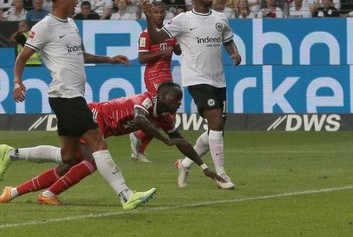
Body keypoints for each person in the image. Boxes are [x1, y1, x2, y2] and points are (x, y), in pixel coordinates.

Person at [13, 0, 156, 210]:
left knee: (69, 156)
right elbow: (22, 58)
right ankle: (125, 194)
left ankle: (11, 154)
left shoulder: (71, 25)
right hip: (65, 95)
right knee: (97, 141)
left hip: (73, 96)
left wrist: (109, 59)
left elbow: (80, 56)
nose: (76, 0)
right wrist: (17, 81)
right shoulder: (44, 26)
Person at [0, 83, 223, 205]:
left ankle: (13, 162)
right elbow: (138, 119)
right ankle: (48, 194)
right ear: (163, 96)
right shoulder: (146, 100)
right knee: (91, 161)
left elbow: (182, 142)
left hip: (100, 124)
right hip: (95, 116)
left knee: (66, 159)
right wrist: (164, 139)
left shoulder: (165, 117)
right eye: (176, 100)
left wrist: (204, 168)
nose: (178, 104)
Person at [143, 0, 242, 190]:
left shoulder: (220, 18)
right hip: (197, 79)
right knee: (215, 120)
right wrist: (149, 18)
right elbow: (156, 36)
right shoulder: (183, 19)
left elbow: (227, 39)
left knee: (217, 129)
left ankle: (185, 163)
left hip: (219, 79)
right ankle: (221, 174)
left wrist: (233, 52)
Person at [130, 2, 182, 162]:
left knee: (169, 115)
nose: (159, 15)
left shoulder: (170, 32)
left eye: (161, 12)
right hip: (153, 77)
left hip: (167, 77)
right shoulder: (146, 34)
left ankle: (138, 140)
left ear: (165, 13)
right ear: (151, 14)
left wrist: (179, 38)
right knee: (162, 114)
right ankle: (138, 142)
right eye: (156, 12)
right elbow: (141, 58)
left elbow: (179, 51)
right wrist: (161, 53)